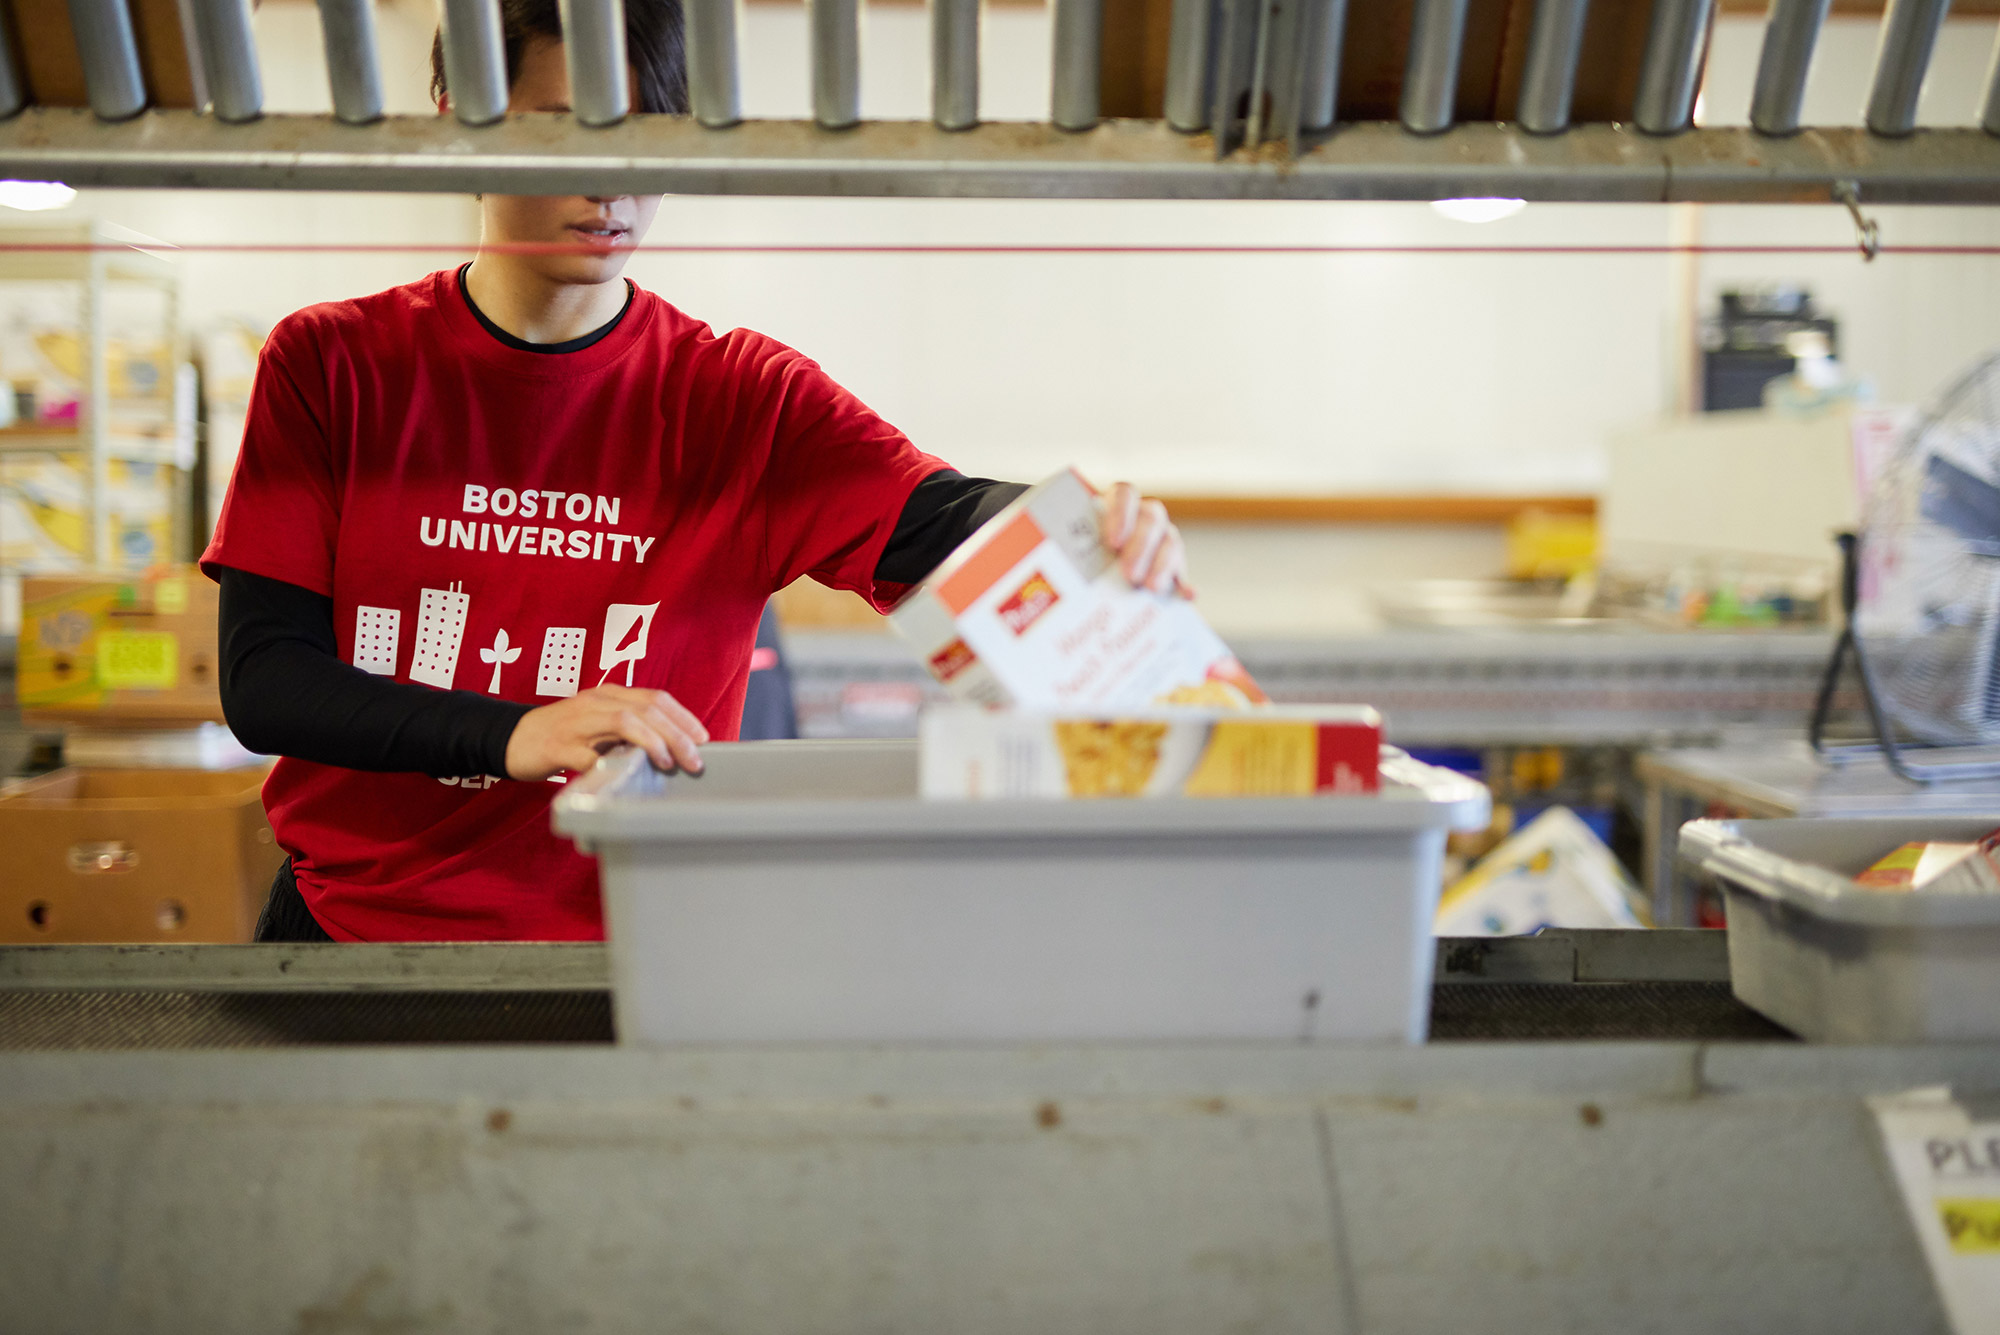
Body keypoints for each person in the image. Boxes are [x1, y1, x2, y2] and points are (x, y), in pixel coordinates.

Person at [202, 0, 1188, 944]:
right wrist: (517, 731)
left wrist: (1076, 525)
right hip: (350, 939)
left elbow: (941, 521)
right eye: (561, 129)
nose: (609, 185)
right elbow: (266, 682)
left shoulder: (745, 401)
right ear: (459, 117)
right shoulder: (333, 364)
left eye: (648, 139)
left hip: (632, 951)